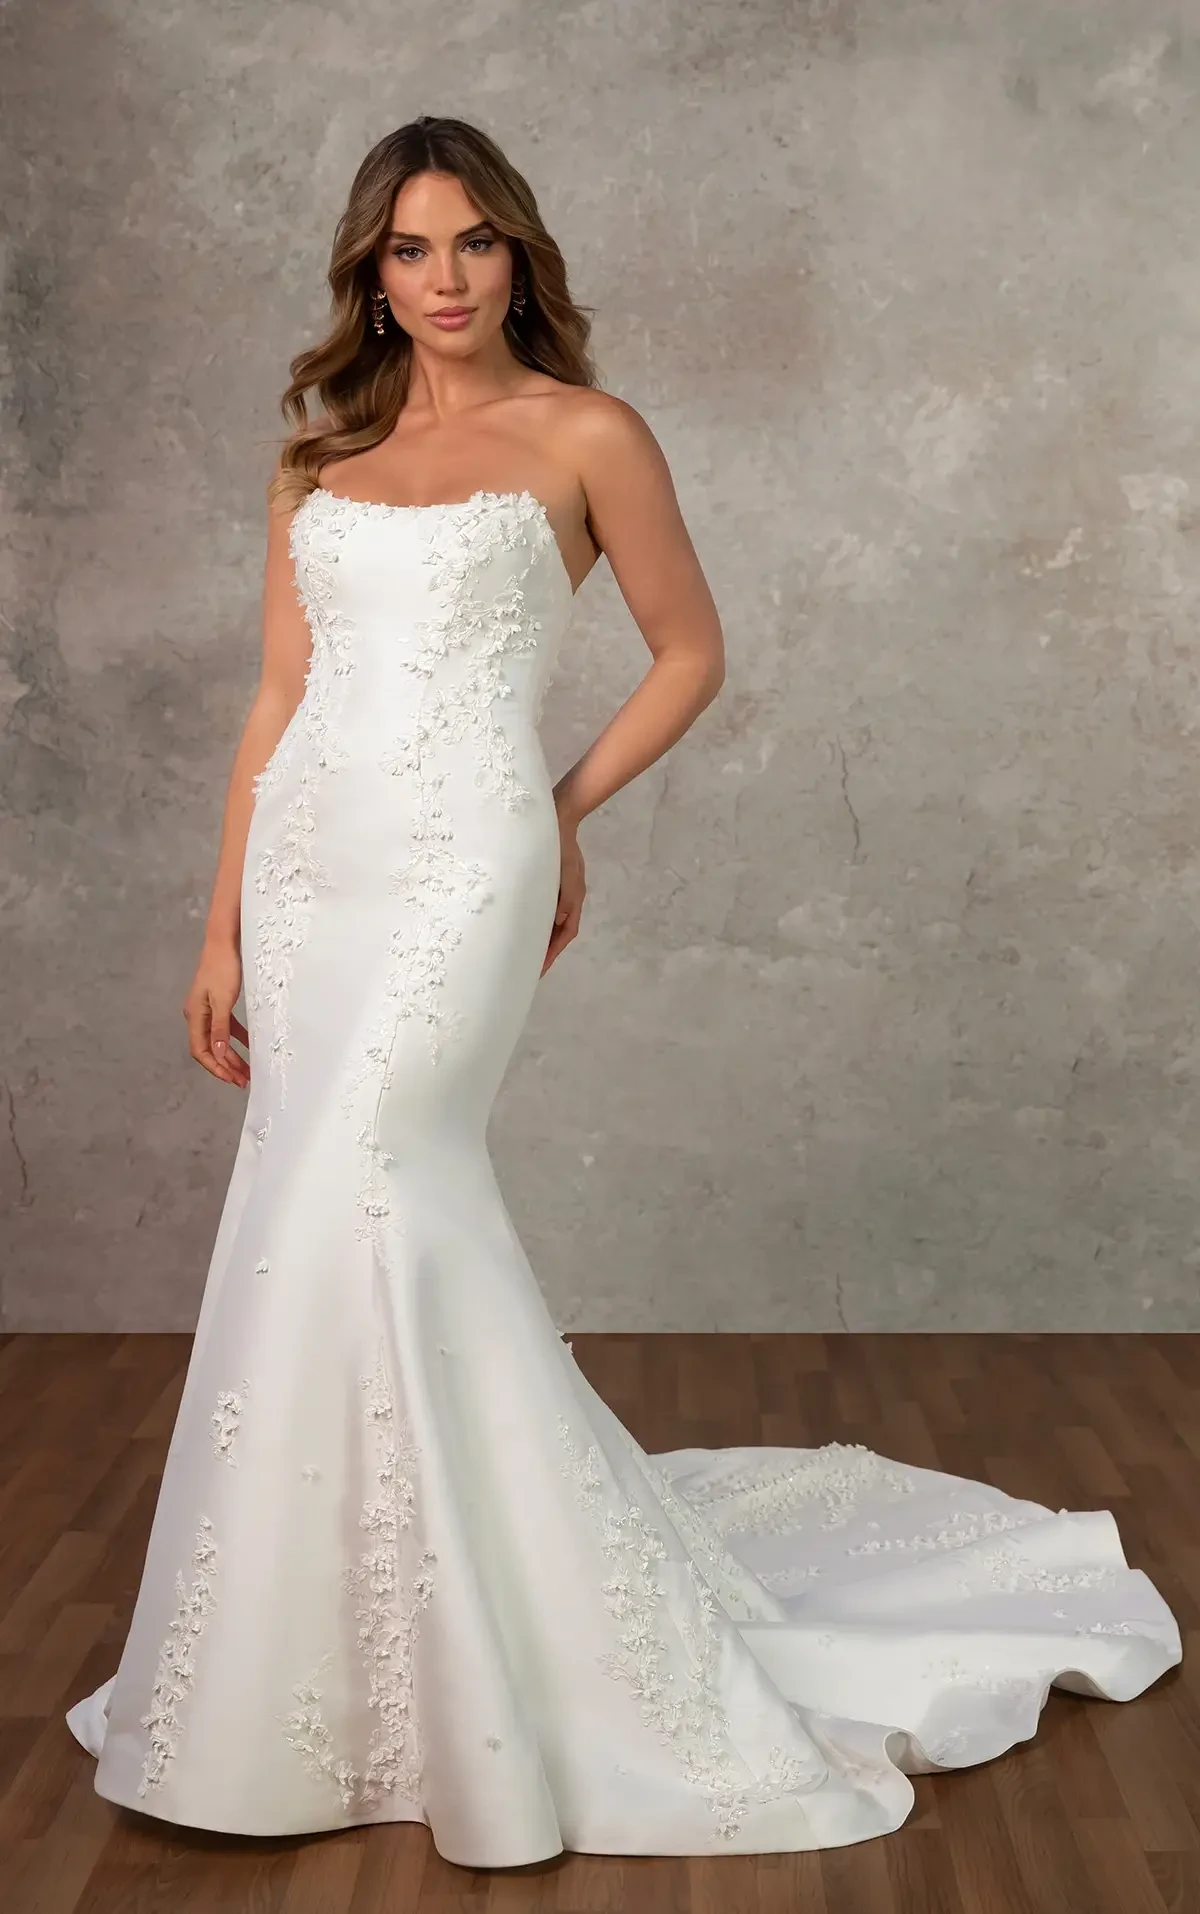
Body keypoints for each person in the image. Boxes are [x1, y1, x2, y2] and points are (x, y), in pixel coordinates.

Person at [65, 114, 1181, 1868]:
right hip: (306, 872)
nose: (443, 281)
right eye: (410, 251)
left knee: (385, 1184)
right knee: (301, 1210)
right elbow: (274, 706)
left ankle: (518, 1645)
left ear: (522, 253)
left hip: (461, 858)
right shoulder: (317, 459)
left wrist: (556, 807)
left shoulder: (587, 433)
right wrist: (217, 928)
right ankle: (311, 1658)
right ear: (369, 270)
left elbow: (693, 650)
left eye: (475, 244)